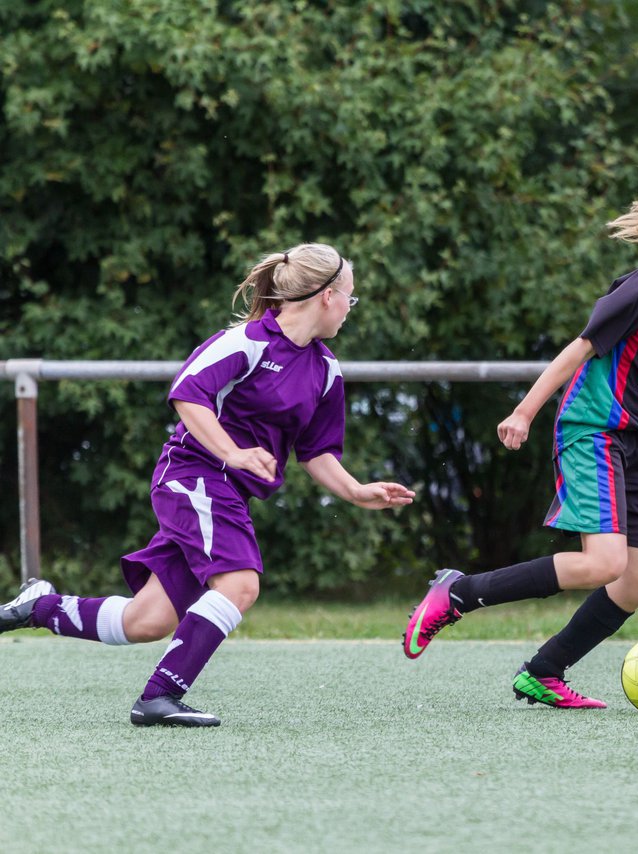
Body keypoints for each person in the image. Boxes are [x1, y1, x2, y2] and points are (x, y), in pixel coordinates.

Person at [0, 243, 415, 726]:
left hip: (225, 492)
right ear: (326, 296)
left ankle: (38, 606)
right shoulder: (246, 341)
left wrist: (356, 490)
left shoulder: (326, 370)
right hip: (193, 477)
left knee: (147, 621)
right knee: (240, 584)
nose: (350, 309)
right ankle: (157, 698)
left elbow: (316, 451)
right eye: (350, 297)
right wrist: (232, 452)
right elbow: (187, 394)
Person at [402, 170, 638, 708]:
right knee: (603, 564)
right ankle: (459, 592)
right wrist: (524, 412)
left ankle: (543, 671)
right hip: (595, 429)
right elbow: (581, 347)